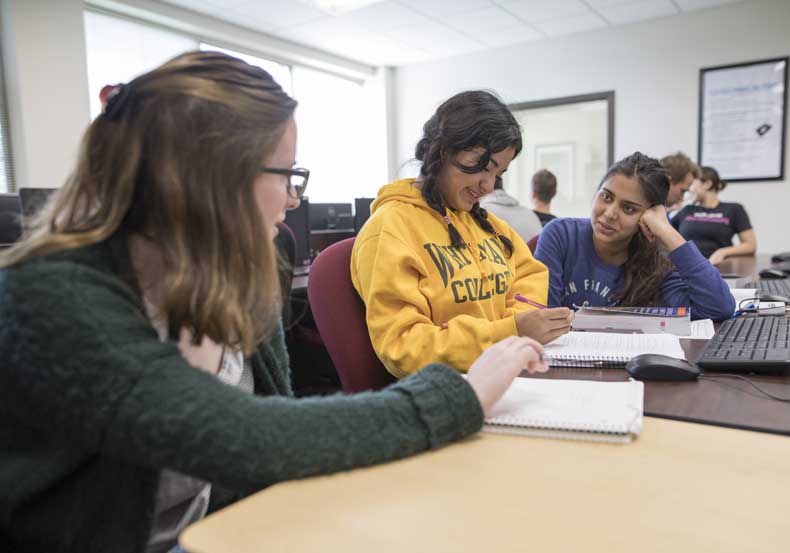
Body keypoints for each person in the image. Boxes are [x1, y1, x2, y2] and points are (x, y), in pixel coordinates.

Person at [0, 53, 550, 553]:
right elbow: (245, 436)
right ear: (207, 176)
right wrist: (462, 395)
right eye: (286, 174)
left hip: (229, 529)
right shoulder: (52, 296)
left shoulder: (237, 271)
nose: (293, 197)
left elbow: (267, 446)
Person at [352, 90, 574, 378]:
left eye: (498, 174)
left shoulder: (490, 227)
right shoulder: (390, 230)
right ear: (444, 149)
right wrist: (509, 333)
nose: (488, 185)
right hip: (449, 393)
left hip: (503, 374)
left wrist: (509, 333)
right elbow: (403, 346)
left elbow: (528, 278)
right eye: (484, 167)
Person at [534, 152, 735, 321]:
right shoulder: (561, 235)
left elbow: (719, 308)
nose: (610, 213)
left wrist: (667, 231)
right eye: (606, 197)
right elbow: (544, 318)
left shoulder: (656, 263)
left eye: (628, 208)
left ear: (648, 217)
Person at [671, 165, 757, 265]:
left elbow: (751, 245)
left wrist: (723, 252)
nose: (689, 189)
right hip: (687, 267)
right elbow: (664, 236)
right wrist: (669, 208)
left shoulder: (734, 209)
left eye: (692, 184)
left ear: (707, 184)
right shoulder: (687, 210)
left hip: (719, 267)